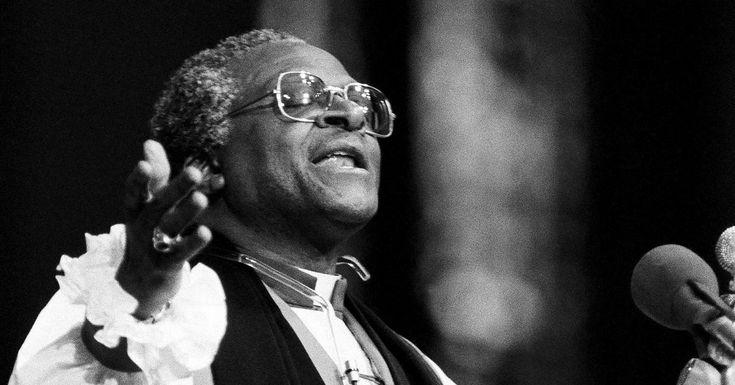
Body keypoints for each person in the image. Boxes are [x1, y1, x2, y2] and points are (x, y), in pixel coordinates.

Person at [9, 29, 455, 385]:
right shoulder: (162, 314)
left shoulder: (415, 366)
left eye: (362, 102)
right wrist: (131, 309)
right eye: (300, 95)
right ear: (209, 159)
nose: (353, 117)